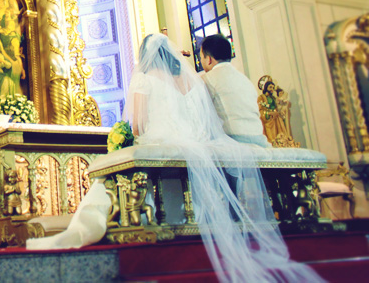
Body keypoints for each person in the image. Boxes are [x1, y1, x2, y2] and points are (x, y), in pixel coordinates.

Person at [29, 34, 323, 283]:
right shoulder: (192, 80)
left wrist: (128, 138)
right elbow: (202, 120)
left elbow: (138, 125)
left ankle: (108, 223)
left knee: (111, 174)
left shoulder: (144, 78)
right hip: (195, 143)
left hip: (162, 141)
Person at [200, 34, 270, 147]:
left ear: (209, 59)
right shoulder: (245, 80)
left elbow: (199, 116)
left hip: (233, 143)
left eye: (201, 58)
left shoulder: (207, 79)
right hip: (259, 140)